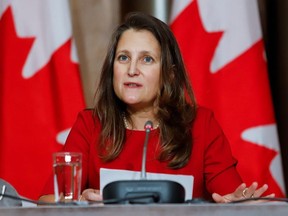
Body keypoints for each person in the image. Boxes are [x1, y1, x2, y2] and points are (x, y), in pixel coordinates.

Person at [39, 12, 275, 203]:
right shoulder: (91, 124)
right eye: (123, 58)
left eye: (147, 59)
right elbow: (47, 200)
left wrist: (240, 202)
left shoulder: (200, 125)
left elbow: (230, 196)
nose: (132, 69)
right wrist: (80, 200)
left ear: (169, 76)